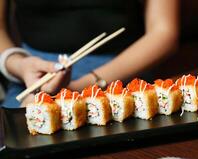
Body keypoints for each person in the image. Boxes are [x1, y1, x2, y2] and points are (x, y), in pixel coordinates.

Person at [0, 0, 179, 108]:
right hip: (33, 75)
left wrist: (81, 87)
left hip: (121, 72)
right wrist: (18, 64)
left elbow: (163, 32)